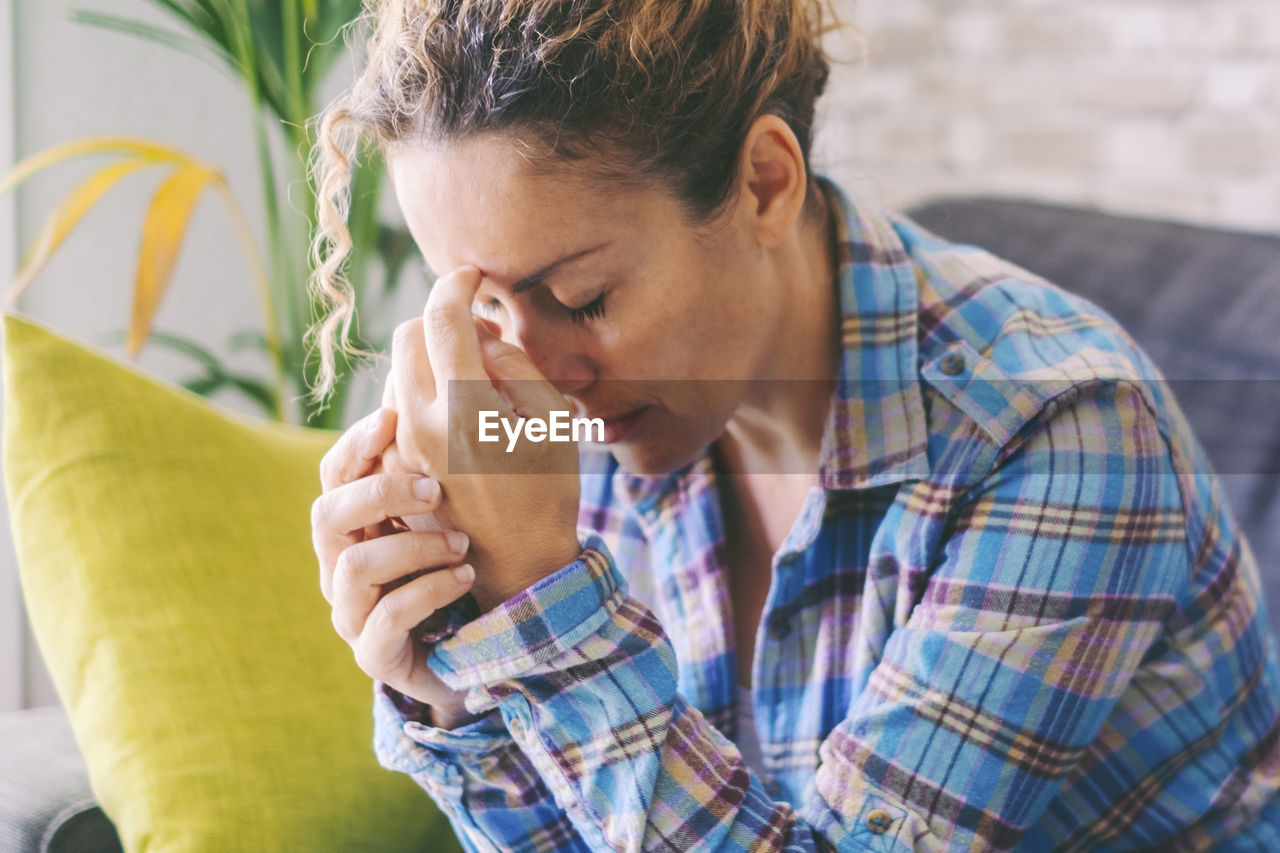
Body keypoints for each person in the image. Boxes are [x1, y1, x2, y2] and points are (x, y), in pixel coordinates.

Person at [306, 1, 1280, 850]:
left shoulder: (1058, 430)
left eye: (582, 294)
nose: (539, 372)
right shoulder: (585, 409)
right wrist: (458, 687)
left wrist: (547, 609)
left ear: (765, 184)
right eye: (481, 308)